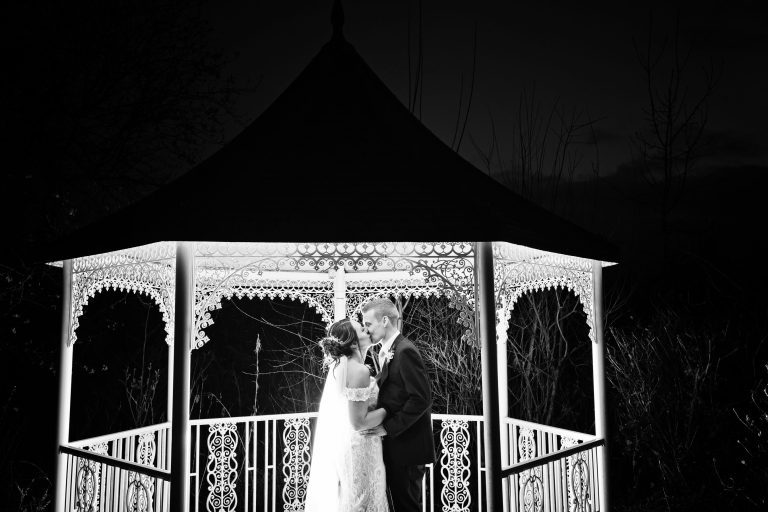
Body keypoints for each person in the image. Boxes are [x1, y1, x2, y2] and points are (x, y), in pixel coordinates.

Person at [305, 318, 389, 512]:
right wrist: (389, 410)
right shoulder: (358, 370)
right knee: (365, 501)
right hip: (361, 445)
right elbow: (359, 422)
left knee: (356, 499)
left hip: (352, 445)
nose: (367, 329)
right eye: (362, 328)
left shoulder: (346, 366)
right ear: (352, 342)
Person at [362, 298, 434, 512]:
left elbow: (421, 398)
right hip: (398, 447)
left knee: (407, 507)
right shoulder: (388, 350)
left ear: (385, 320)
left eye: (368, 324)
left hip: (408, 447)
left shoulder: (405, 351)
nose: (366, 331)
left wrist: (388, 427)